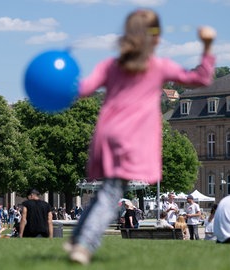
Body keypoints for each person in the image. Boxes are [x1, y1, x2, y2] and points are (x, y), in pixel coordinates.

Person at [62, 9, 215, 265]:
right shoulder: (158, 66)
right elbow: (200, 78)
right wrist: (208, 45)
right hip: (132, 138)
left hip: (107, 134)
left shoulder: (111, 65)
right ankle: (84, 245)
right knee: (112, 193)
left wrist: (63, 73)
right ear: (156, 38)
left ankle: (77, 236)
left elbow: (83, 89)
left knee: (107, 190)